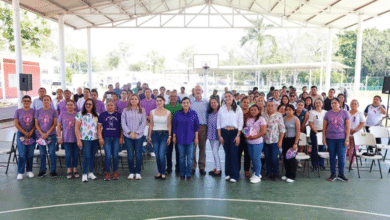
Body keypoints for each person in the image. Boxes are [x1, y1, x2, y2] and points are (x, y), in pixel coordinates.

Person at [217, 92, 244, 183]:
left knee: (234, 154)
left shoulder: (238, 108)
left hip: (234, 132)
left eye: (229, 96)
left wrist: (238, 135)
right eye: (226, 97)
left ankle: (235, 175)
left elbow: (240, 123)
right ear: (224, 98)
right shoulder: (221, 109)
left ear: (233, 98)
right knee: (227, 153)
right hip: (224, 132)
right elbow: (218, 123)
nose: (227, 98)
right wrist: (220, 136)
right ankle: (227, 173)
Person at [323, 98, 350, 182]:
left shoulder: (345, 113)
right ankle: (333, 174)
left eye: (335, 103)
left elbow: (348, 127)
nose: (333, 104)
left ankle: (341, 174)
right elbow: (324, 127)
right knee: (332, 157)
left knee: (342, 157)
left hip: (341, 139)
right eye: (332, 103)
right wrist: (323, 138)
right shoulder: (327, 113)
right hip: (330, 138)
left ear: (339, 103)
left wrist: (347, 139)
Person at [173, 97, 199, 181]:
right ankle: (182, 174)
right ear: (181, 104)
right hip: (180, 140)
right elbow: (174, 126)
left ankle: (188, 174)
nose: (185, 104)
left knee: (190, 158)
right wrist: (174, 136)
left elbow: (196, 127)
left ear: (190, 104)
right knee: (181, 158)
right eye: (184, 103)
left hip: (190, 139)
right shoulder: (177, 114)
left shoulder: (194, 113)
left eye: (187, 102)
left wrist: (196, 138)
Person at [121, 94, 147, 180]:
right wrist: (130, 133)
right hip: (128, 136)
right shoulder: (125, 111)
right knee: (130, 155)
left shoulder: (142, 110)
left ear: (138, 100)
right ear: (130, 100)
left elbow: (143, 123)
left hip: (138, 136)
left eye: (136, 99)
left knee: (138, 155)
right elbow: (123, 123)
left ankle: (138, 172)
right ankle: (131, 172)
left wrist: (136, 133)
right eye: (132, 99)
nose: (134, 100)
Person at [98, 100, 123, 181]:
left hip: (116, 138)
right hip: (106, 138)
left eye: (111, 105)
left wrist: (121, 137)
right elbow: (98, 127)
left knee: (115, 155)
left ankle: (115, 171)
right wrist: (100, 138)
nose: (110, 107)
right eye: (108, 105)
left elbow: (122, 127)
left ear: (114, 106)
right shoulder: (102, 115)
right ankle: (107, 172)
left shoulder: (119, 115)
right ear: (106, 106)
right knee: (108, 155)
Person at [75, 98, 99, 182]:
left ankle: (91, 172)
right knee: (87, 156)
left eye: (90, 104)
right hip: (85, 139)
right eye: (86, 104)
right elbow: (77, 128)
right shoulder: (80, 114)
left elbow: (98, 128)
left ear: (93, 106)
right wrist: (78, 140)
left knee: (92, 156)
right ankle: (84, 173)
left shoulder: (96, 115)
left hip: (95, 139)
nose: (88, 105)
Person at [149, 96, 172, 180]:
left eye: (160, 101)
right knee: (157, 155)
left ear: (164, 101)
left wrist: (169, 136)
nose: (159, 102)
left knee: (162, 154)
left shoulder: (168, 112)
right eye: (157, 101)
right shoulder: (152, 112)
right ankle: (159, 172)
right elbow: (151, 125)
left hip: (164, 134)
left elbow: (169, 125)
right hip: (155, 134)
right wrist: (149, 136)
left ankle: (163, 173)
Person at [35, 95, 58, 177]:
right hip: (40, 136)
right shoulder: (38, 111)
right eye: (44, 100)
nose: (46, 101)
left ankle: (53, 170)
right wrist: (42, 133)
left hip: (51, 135)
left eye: (48, 100)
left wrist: (47, 133)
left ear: (50, 101)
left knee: (52, 153)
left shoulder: (54, 111)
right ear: (42, 101)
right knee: (42, 153)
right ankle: (43, 170)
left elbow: (55, 123)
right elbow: (36, 124)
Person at [14, 95, 36, 180]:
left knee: (30, 154)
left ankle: (29, 170)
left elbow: (35, 123)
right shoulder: (18, 111)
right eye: (25, 101)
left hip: (31, 134)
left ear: (30, 102)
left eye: (28, 101)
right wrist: (24, 132)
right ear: (22, 102)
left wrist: (31, 131)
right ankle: (20, 172)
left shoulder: (34, 111)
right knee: (22, 154)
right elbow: (16, 123)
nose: (26, 102)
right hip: (21, 135)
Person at [263, 100, 286, 181]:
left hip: (275, 140)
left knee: (274, 158)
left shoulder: (278, 115)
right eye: (268, 105)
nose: (270, 107)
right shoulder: (263, 115)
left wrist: (280, 141)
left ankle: (275, 173)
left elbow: (282, 130)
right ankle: (269, 172)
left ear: (275, 106)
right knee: (267, 157)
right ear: (266, 107)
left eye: (272, 105)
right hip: (265, 140)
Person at [57, 100, 79, 179]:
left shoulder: (78, 114)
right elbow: (59, 126)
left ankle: (75, 169)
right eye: (68, 105)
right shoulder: (62, 114)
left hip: (76, 139)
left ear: (74, 106)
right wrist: (59, 137)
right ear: (66, 106)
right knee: (68, 155)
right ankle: (69, 170)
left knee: (76, 155)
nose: (70, 106)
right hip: (66, 139)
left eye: (71, 105)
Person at [245, 105, 267, 183]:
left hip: (257, 143)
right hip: (249, 142)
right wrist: (246, 135)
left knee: (256, 158)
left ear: (258, 111)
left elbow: (263, 131)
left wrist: (254, 137)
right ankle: (256, 172)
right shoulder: (249, 119)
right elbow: (246, 130)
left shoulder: (262, 119)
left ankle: (257, 175)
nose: (253, 111)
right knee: (252, 158)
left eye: (255, 110)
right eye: (251, 110)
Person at [190, 85, 208, 175]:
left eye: (199, 90)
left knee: (202, 148)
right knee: (192, 148)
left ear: (202, 91)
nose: (197, 91)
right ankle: (193, 167)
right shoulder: (190, 102)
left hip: (202, 127)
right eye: (196, 90)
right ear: (193, 91)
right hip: (191, 128)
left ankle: (202, 167)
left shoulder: (206, 102)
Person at [281, 105, 300, 183]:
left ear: (293, 111)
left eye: (290, 109)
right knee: (285, 158)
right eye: (287, 110)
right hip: (285, 140)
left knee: (291, 159)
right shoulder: (283, 119)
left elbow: (298, 132)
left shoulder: (296, 119)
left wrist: (295, 143)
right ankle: (287, 174)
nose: (288, 111)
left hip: (293, 140)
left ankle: (292, 176)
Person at [165, 91, 183, 174]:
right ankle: (169, 167)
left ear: (177, 98)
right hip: (168, 131)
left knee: (178, 151)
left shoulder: (180, 107)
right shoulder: (166, 106)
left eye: (174, 96)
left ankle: (178, 168)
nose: (172, 98)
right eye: (171, 96)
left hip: (179, 131)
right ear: (169, 98)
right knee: (168, 151)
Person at [308, 98, 326, 170]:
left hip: (323, 132)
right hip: (314, 132)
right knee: (315, 148)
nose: (318, 104)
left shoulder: (325, 112)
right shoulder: (312, 112)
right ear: (314, 104)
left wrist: (324, 132)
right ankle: (314, 164)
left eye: (319, 102)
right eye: (316, 103)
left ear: (322, 104)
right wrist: (317, 132)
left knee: (322, 148)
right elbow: (311, 124)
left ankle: (321, 164)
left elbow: (327, 123)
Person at [347, 99, 365, 169]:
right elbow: (343, 123)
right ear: (350, 105)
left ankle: (351, 163)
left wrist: (355, 130)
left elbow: (362, 123)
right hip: (347, 133)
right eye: (352, 104)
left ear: (358, 105)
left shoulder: (360, 113)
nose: (353, 105)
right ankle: (341, 162)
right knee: (344, 148)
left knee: (353, 149)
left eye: (355, 104)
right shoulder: (346, 113)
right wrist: (349, 130)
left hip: (357, 134)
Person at [207, 98, 221, 177]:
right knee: (214, 152)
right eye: (211, 103)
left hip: (217, 135)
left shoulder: (220, 113)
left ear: (218, 103)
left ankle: (218, 169)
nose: (213, 104)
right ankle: (216, 167)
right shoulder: (210, 113)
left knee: (215, 152)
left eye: (214, 102)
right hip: (210, 135)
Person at [238, 97, 251, 179]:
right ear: (241, 103)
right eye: (244, 102)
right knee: (238, 153)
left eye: (247, 102)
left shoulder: (251, 112)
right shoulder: (237, 111)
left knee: (247, 154)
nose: (246, 104)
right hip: (239, 134)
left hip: (248, 135)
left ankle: (246, 170)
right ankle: (237, 170)